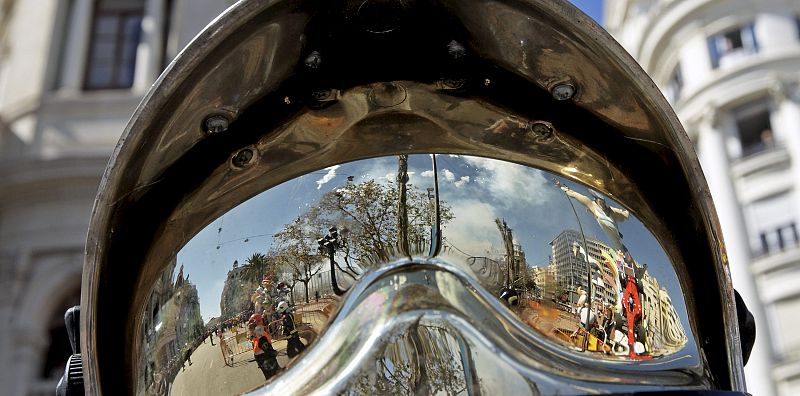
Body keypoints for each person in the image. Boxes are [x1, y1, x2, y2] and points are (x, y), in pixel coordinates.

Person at [248, 316, 280, 380]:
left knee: (273, 378)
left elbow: (268, 350)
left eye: (251, 328)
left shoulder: (261, 336)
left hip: (266, 360)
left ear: (255, 327)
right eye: (249, 328)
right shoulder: (256, 335)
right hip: (263, 361)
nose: (249, 330)